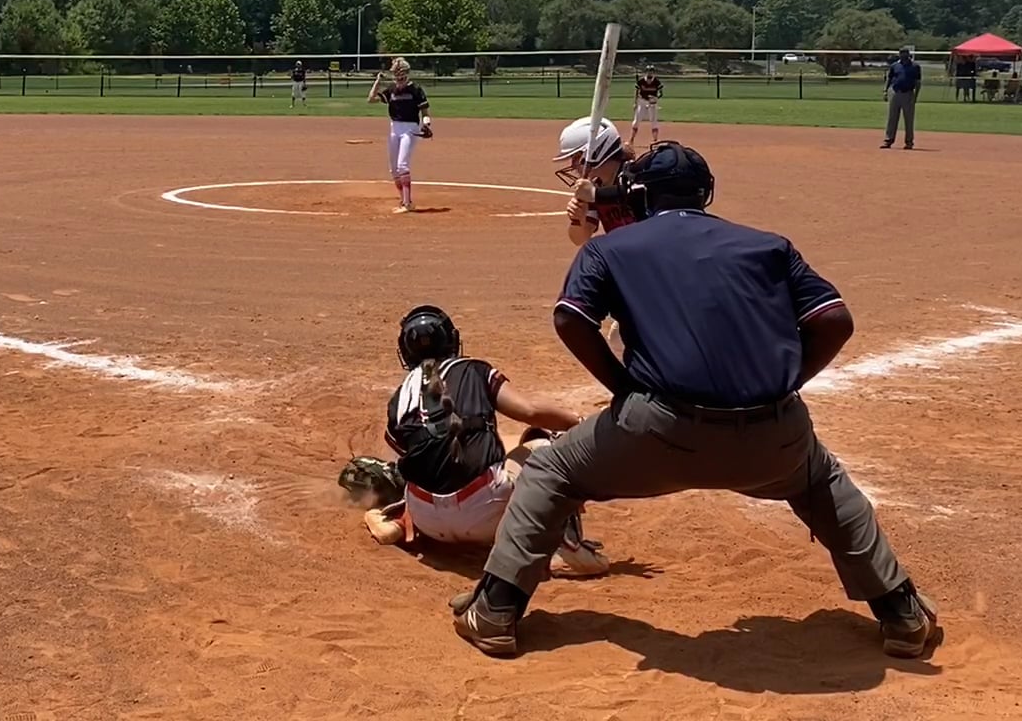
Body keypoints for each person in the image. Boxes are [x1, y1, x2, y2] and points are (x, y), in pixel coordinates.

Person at [449, 141, 935, 660]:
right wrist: (787, 383)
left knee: (551, 470)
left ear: (638, 195)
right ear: (705, 193)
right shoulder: (769, 246)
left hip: (657, 431)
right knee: (822, 481)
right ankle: (901, 612)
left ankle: (496, 609)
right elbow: (835, 320)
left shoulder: (612, 248)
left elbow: (571, 317)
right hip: (774, 437)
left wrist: (622, 387)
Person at [362, 305, 611, 579]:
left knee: (426, 465)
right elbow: (530, 412)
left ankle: (399, 521)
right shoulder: (475, 370)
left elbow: (408, 457)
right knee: (546, 445)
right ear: (451, 339)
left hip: (427, 520)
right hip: (486, 515)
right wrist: (580, 422)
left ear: (405, 351)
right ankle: (568, 550)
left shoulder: (399, 398)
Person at [551, 116, 634, 246]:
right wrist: (579, 219)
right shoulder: (594, 185)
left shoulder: (636, 174)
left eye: (577, 157)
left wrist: (596, 195)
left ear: (596, 152)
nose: (573, 165)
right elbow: (579, 239)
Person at [368, 58, 429, 213]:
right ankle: (404, 200)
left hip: (410, 128)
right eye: (397, 75)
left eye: (402, 75)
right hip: (394, 128)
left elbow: (425, 112)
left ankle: (407, 204)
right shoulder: (392, 90)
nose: (399, 78)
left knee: (402, 165)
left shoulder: (415, 89)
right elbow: (371, 99)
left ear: (407, 74)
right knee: (394, 169)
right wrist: (378, 81)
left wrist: (426, 124)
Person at [881, 46, 921, 149]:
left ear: (908, 54)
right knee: (892, 118)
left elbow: (918, 82)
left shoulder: (915, 66)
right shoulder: (895, 66)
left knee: (909, 119)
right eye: (901, 53)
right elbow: (889, 79)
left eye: (905, 53)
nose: (903, 55)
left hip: (908, 93)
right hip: (895, 93)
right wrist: (885, 91)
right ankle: (888, 140)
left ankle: (909, 142)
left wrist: (915, 96)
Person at [630, 66, 663, 144]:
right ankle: (631, 139)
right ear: (646, 72)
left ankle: (655, 140)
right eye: (648, 71)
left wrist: (655, 98)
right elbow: (636, 92)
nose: (650, 73)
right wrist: (635, 103)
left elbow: (661, 93)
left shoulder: (657, 82)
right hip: (642, 101)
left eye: (651, 71)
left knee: (654, 121)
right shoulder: (641, 81)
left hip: (652, 103)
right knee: (637, 120)